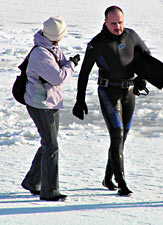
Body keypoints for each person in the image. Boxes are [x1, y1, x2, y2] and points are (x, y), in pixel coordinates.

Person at [72, 6, 150, 196]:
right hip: (109, 91)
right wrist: (79, 100)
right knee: (116, 134)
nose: (118, 27)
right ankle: (121, 181)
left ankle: (108, 177)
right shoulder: (97, 44)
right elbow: (84, 73)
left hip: (129, 92)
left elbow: (146, 57)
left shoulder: (131, 36)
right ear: (105, 22)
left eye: (120, 22)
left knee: (121, 138)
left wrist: (143, 77)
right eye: (113, 23)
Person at [21, 16, 80, 201]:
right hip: (40, 104)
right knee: (51, 145)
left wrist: (67, 64)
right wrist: (71, 65)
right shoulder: (41, 53)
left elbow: (60, 66)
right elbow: (59, 78)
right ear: (58, 36)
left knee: (49, 143)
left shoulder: (51, 46)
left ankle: (32, 181)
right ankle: (49, 191)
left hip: (50, 102)